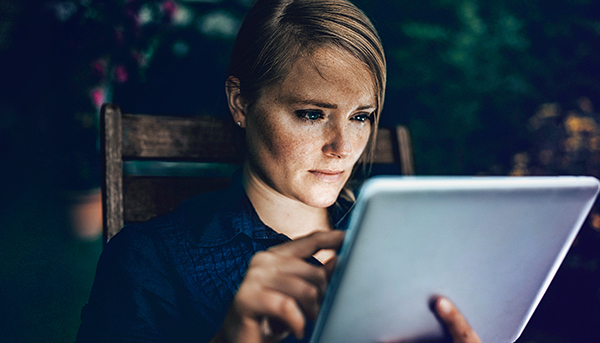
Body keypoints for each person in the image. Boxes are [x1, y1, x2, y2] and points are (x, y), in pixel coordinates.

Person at [76, 0, 481, 342]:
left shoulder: (410, 243)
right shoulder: (149, 260)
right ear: (240, 103)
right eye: (311, 114)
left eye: (361, 117)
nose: (343, 147)